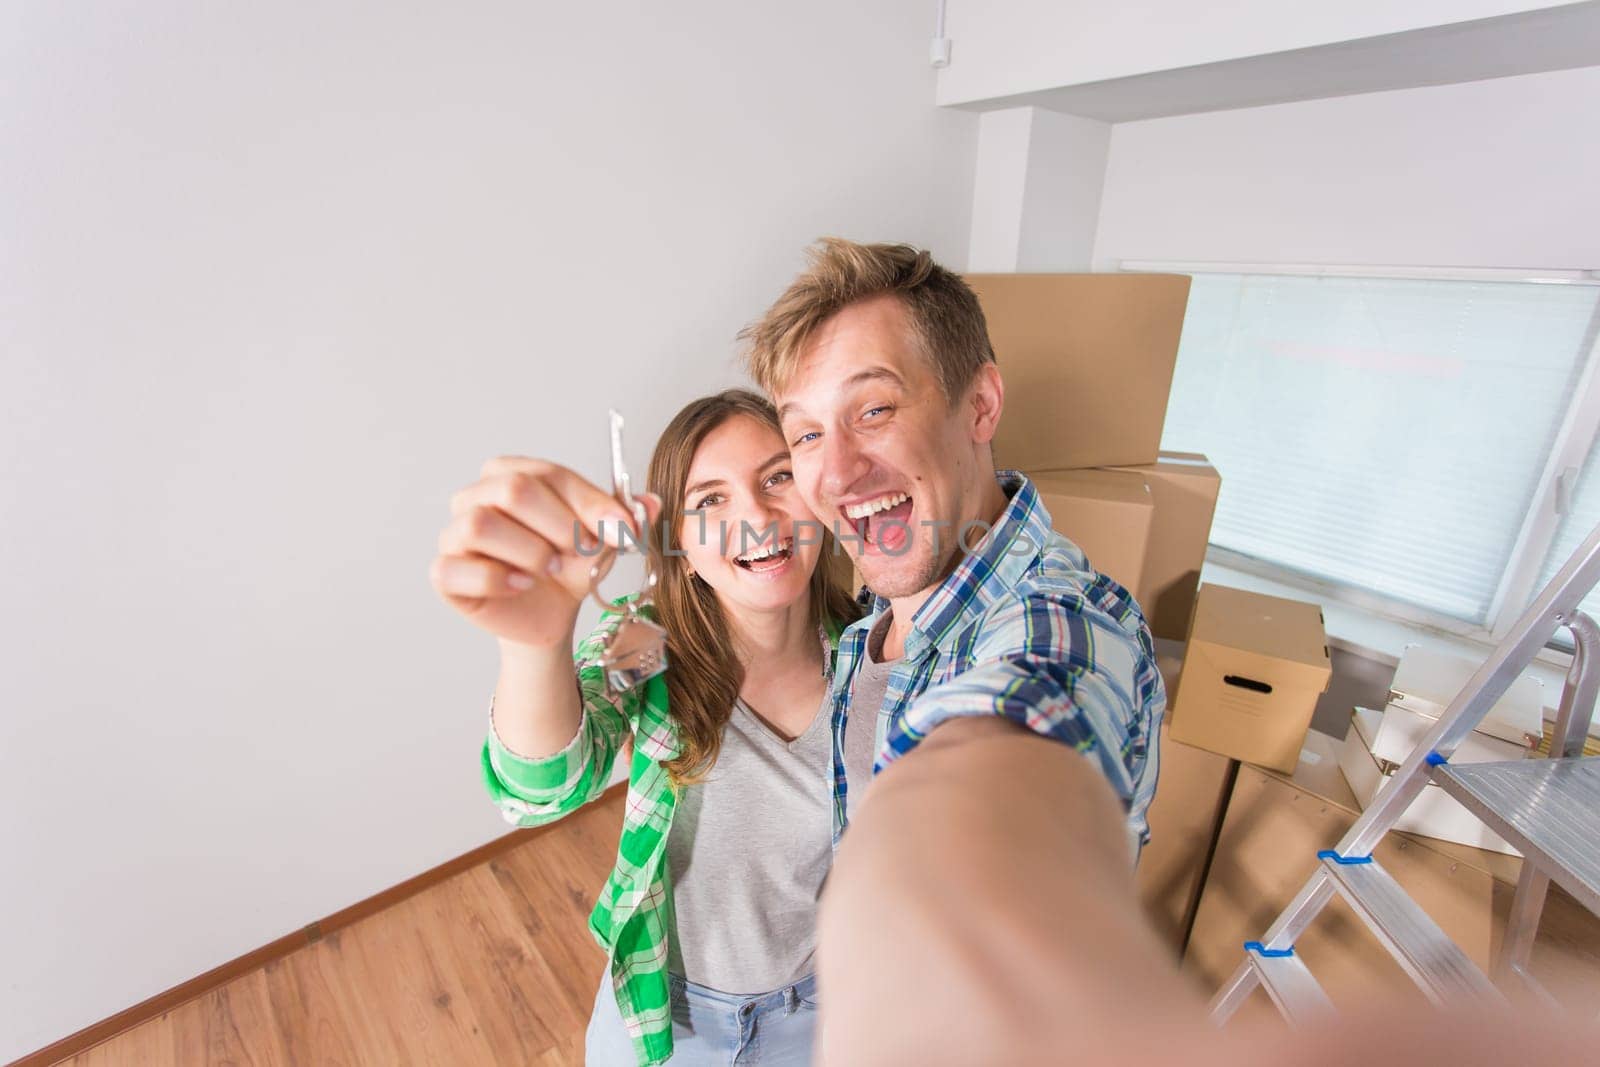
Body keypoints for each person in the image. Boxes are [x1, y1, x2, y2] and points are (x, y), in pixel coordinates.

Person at [429, 389, 861, 1066]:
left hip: (819, 1010)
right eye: (711, 500)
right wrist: (536, 645)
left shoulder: (872, 655)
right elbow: (538, 791)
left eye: (777, 477)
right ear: (681, 548)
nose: (755, 514)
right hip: (670, 1016)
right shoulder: (647, 640)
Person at [739, 237, 1165, 852]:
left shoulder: (1061, 626)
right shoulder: (877, 611)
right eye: (805, 434)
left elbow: (1038, 715)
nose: (833, 475)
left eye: (874, 410)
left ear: (981, 405)